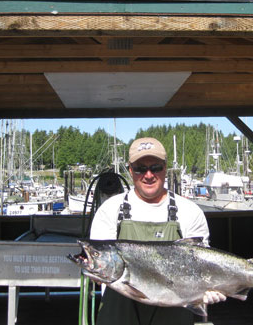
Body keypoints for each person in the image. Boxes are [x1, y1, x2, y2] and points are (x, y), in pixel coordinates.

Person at [90, 137, 226, 325]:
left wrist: (209, 289)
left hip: (174, 314)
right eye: (140, 168)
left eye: (155, 168)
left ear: (165, 168)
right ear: (130, 170)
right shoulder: (110, 209)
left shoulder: (189, 211)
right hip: (119, 313)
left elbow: (202, 263)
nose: (148, 175)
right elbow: (101, 267)